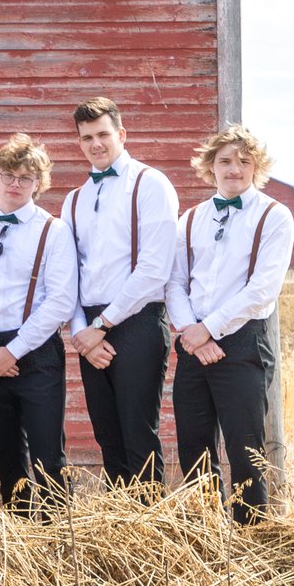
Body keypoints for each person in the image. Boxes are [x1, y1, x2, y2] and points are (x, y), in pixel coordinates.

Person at [167, 124, 294, 523]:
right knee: (194, 445)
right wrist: (192, 332)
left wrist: (209, 329)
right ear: (211, 166)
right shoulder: (190, 219)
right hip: (192, 343)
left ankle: (250, 536)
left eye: (244, 161)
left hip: (242, 344)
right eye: (225, 160)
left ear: (257, 167)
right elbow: (174, 282)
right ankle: (206, 530)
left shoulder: (275, 217)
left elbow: (262, 289)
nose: (234, 169)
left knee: (245, 449)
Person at [60, 97, 178, 488]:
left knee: (138, 435)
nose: (95, 144)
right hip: (90, 328)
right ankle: (118, 529)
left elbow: (154, 268)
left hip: (136, 321)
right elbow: (69, 273)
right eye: (86, 137)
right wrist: (82, 333)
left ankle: (148, 534)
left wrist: (102, 324)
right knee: (107, 437)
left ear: (121, 134)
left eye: (103, 134)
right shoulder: (73, 199)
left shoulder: (150, 183)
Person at [0, 134, 76, 514]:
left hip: (37, 352)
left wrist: (12, 351)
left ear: (38, 184)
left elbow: (59, 300)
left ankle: (59, 545)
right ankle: (18, 543)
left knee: (49, 457)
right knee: (6, 457)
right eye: (8, 174)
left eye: (26, 178)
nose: (15, 184)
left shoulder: (54, 230)